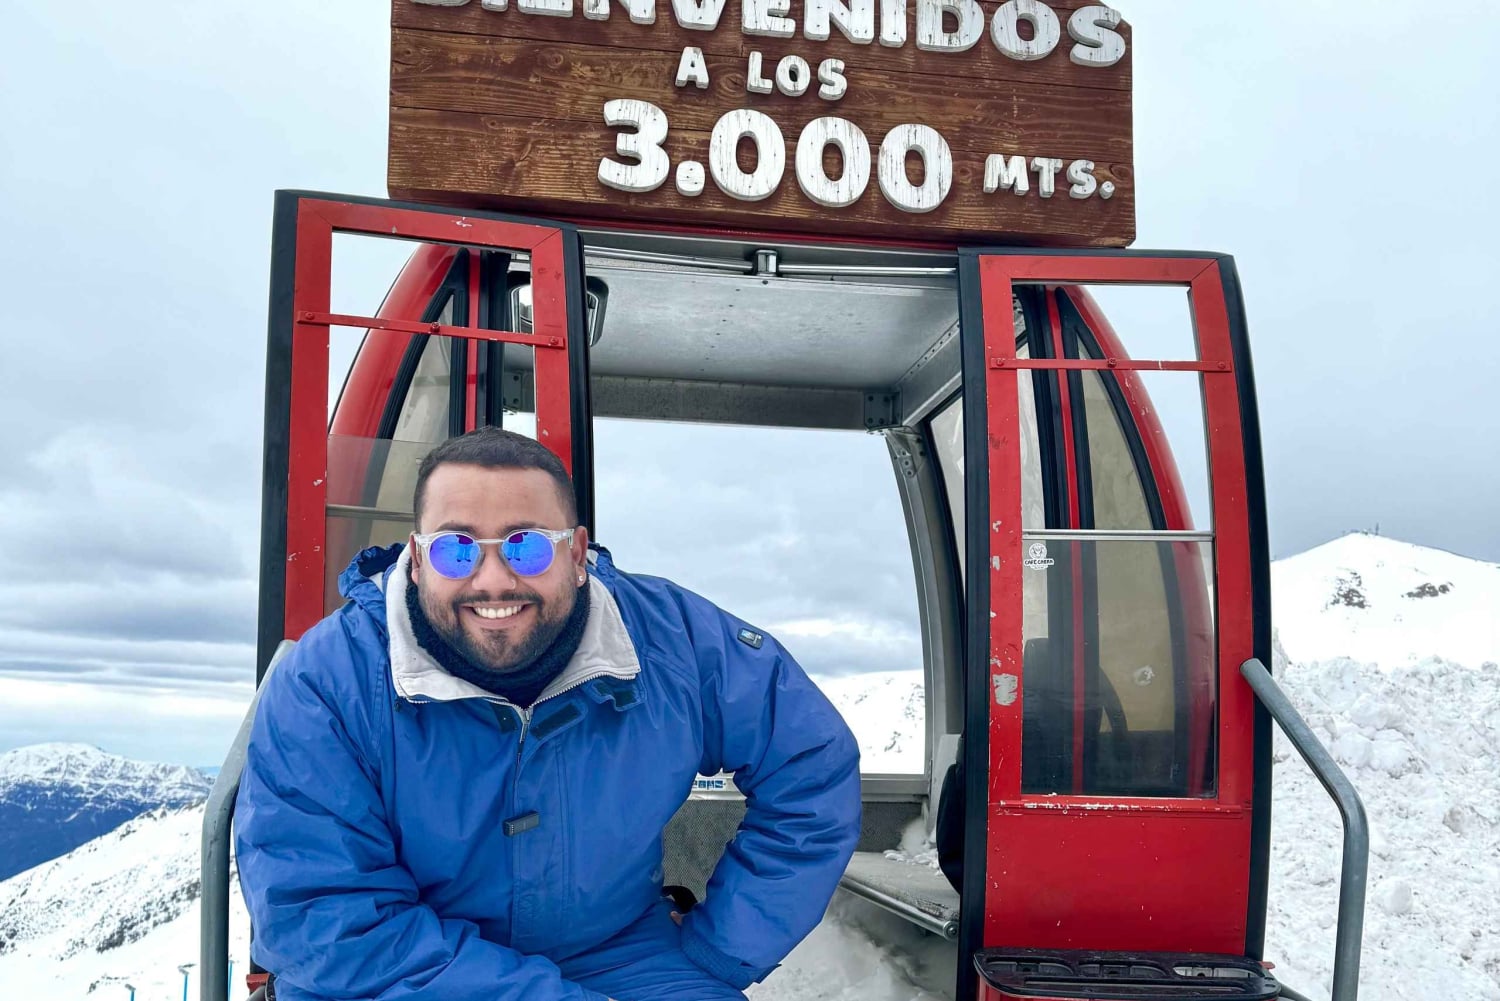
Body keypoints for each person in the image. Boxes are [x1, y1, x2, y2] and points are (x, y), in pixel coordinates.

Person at [235, 427, 863, 1001]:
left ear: (577, 552)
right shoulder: (329, 680)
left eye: (526, 547)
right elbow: (325, 917)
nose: (492, 581)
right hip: (390, 974)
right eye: (458, 550)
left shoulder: (675, 645)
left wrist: (722, 949)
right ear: (418, 557)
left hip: (621, 954)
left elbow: (811, 765)